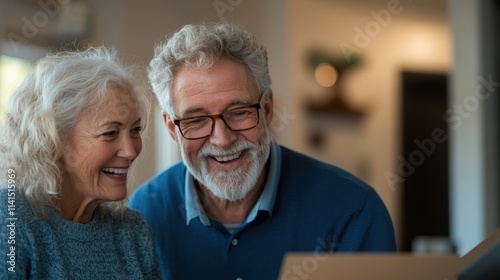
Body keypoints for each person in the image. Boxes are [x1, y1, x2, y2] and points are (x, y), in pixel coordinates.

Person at [129, 22, 396, 280]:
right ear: (172, 129)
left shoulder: (352, 209)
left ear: (267, 109)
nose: (222, 140)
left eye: (239, 112)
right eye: (196, 120)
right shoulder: (144, 215)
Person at [0, 47, 159, 279]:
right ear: (53, 140)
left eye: (135, 130)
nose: (131, 150)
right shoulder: (11, 217)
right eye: (110, 133)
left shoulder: (133, 231)